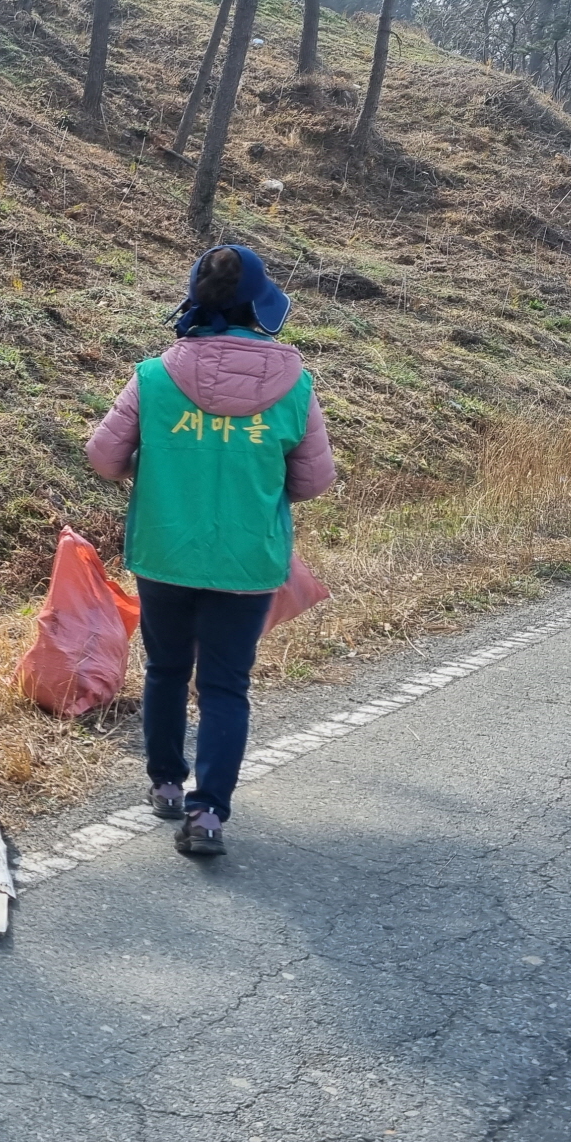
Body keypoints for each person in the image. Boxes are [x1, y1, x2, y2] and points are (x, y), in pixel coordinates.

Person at [85, 243, 336, 857]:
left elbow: (103, 457)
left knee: (168, 669)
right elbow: (313, 480)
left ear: (196, 301)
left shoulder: (153, 376)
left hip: (166, 554)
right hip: (248, 562)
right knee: (226, 686)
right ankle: (209, 816)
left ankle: (167, 783)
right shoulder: (295, 386)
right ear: (261, 306)